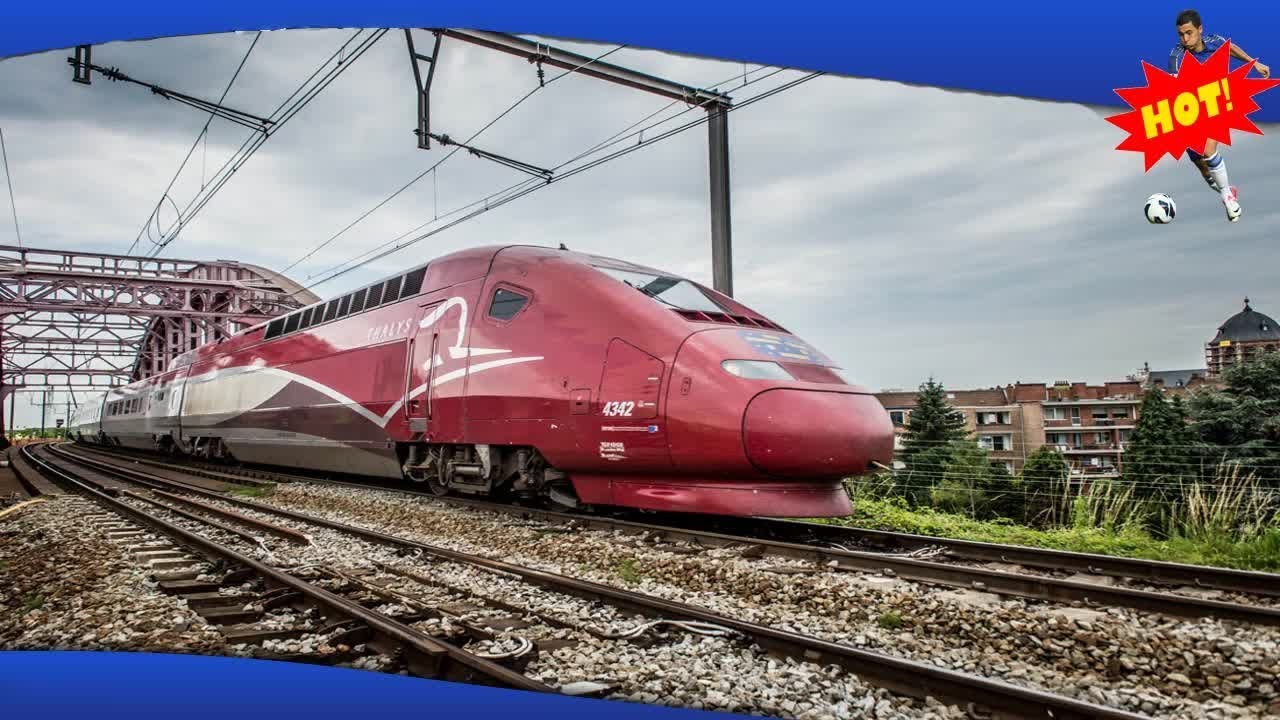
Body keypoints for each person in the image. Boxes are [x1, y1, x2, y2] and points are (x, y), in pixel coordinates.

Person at [1167, 9, 1270, 223]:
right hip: (1191, 109)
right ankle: (1226, 190)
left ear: (1200, 30)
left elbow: (1231, 48)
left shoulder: (1214, 41)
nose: (1185, 39)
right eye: (1181, 34)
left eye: (1189, 33)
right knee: (1203, 167)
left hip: (1218, 101)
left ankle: (1227, 197)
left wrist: (1254, 62)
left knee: (1207, 149)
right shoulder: (1177, 57)